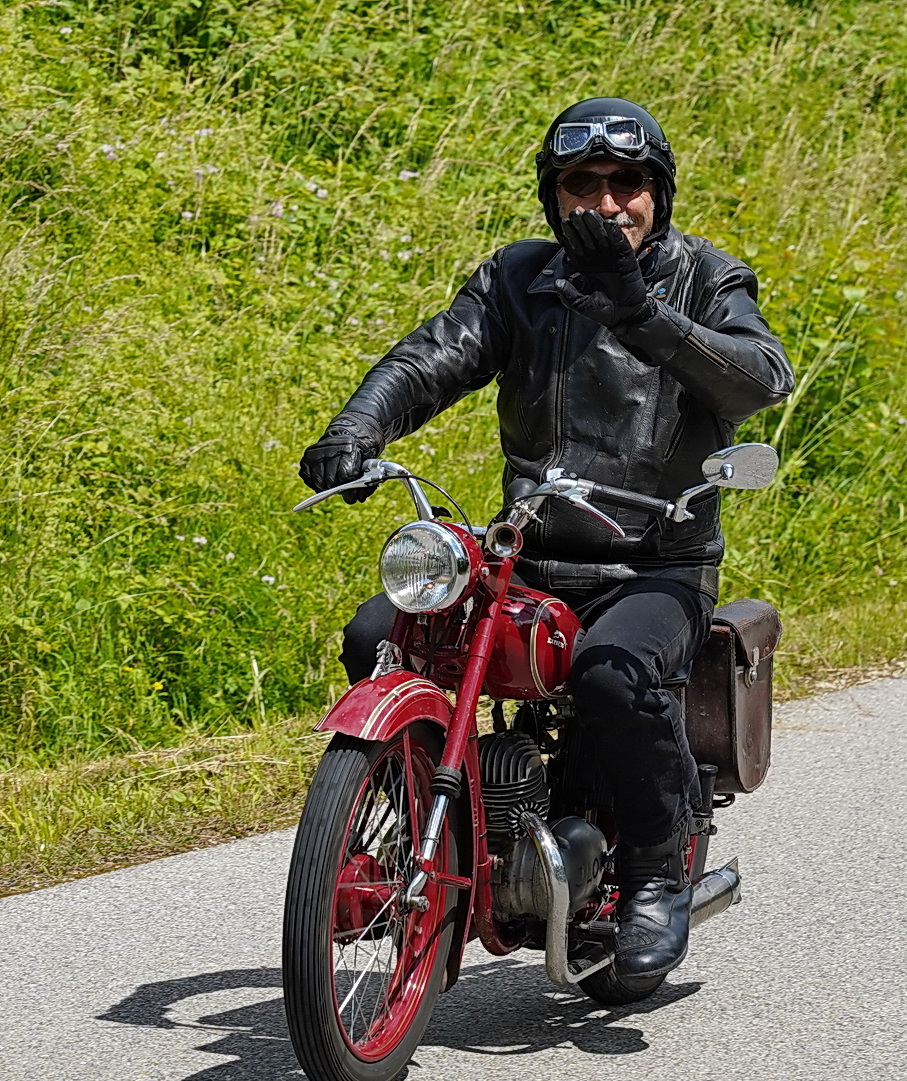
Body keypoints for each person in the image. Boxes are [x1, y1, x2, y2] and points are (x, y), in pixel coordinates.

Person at [298, 97, 793, 981]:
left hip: (654, 560)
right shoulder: (518, 278)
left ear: (657, 193)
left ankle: (652, 868)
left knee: (614, 676)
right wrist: (356, 429)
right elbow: (433, 356)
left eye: (627, 183)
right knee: (378, 633)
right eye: (582, 183)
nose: (606, 204)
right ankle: (419, 835)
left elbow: (758, 380)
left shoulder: (708, 278)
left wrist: (641, 312)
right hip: (526, 554)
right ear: (554, 195)